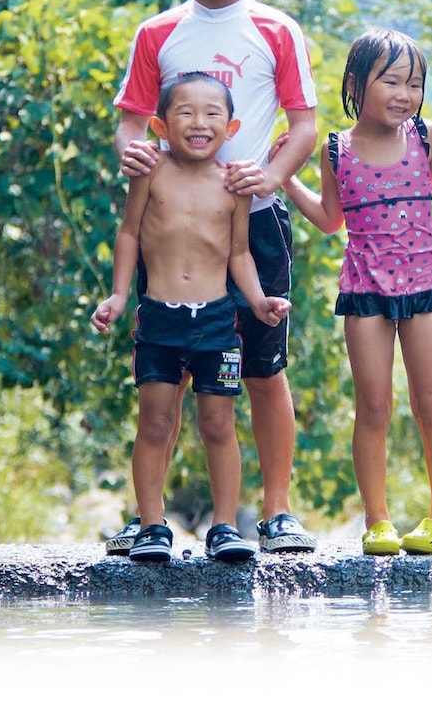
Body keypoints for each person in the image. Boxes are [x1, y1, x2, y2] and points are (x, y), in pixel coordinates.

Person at [106, 0, 320, 555]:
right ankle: (149, 519)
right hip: (172, 227)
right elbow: (131, 121)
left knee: (263, 368)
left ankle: (276, 512)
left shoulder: (277, 30)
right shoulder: (159, 32)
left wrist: (273, 177)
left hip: (254, 222)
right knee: (163, 374)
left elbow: (304, 124)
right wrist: (132, 155)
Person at [282, 29, 432, 555]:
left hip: (424, 285)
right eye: (391, 81)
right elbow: (331, 219)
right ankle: (377, 520)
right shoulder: (335, 149)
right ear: (355, 84)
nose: (404, 94)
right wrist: (288, 181)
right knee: (373, 406)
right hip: (365, 289)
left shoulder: (423, 136)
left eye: (414, 84)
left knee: (431, 402)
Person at [91, 73, 292, 562]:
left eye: (211, 114)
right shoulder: (150, 171)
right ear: (160, 125)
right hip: (159, 319)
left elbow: (240, 253)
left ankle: (224, 526)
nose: (198, 122)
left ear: (231, 127)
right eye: (185, 112)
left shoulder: (234, 183)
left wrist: (259, 302)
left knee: (219, 424)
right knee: (155, 423)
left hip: (217, 324)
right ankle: (151, 525)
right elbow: (129, 233)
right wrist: (118, 295)